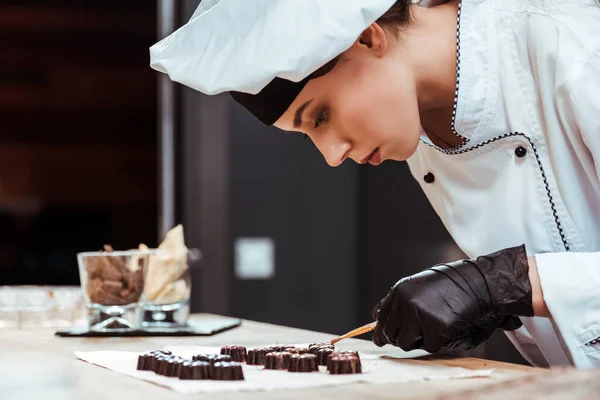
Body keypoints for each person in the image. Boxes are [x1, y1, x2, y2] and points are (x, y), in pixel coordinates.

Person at [149, 0, 600, 368]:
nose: (331, 155)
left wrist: (506, 284)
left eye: (320, 115)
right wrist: (496, 302)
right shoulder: (420, 130)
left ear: (367, 35)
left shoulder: (575, 48)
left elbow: (524, 278)